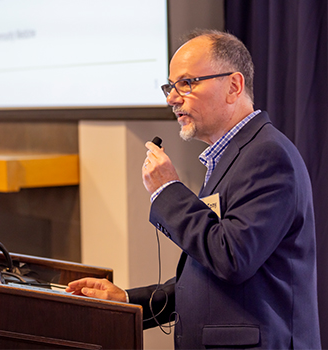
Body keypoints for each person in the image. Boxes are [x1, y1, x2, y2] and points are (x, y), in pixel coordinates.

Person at [66, 29, 321, 349]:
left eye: (186, 83)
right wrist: (130, 301)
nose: (172, 97)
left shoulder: (267, 156)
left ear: (233, 86)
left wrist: (168, 189)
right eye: (170, 86)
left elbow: (231, 257)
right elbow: (206, 275)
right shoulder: (232, 157)